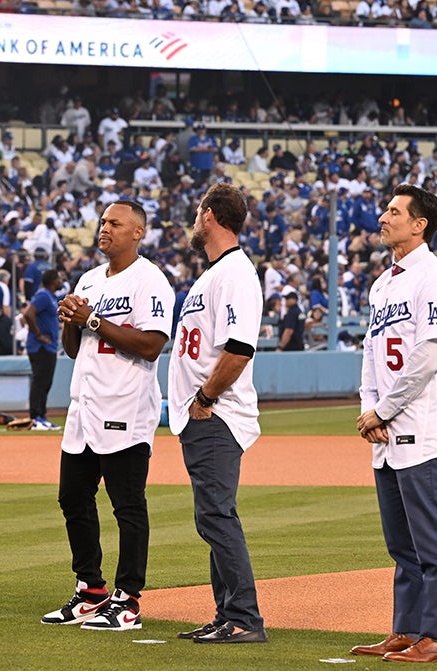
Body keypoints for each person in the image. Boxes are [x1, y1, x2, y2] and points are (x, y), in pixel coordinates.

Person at [41, 201, 173, 631]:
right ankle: (91, 589)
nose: (105, 228)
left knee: (127, 506)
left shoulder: (150, 280)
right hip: (84, 406)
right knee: (72, 498)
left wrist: (92, 319)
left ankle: (129, 599)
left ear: (137, 232)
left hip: (125, 406)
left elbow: (153, 344)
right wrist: (69, 320)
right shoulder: (90, 279)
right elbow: (74, 348)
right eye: (102, 222)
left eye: (115, 223)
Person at [354, 184, 437, 664]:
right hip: (386, 427)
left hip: (421, 425)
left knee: (430, 539)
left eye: (394, 211)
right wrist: (369, 409)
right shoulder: (385, 282)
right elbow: (370, 353)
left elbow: (429, 355)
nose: (383, 216)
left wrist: (386, 409)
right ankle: (407, 628)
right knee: (401, 543)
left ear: (420, 224)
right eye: (385, 209)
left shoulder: (435, 279)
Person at [167, 183, 267, 644]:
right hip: (204, 415)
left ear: (209, 216)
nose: (193, 219)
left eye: (197, 211)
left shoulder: (235, 273)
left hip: (217, 414)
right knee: (212, 515)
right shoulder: (217, 273)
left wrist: (205, 398)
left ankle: (245, 617)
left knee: (216, 515)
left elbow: (240, 347)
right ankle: (227, 612)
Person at [22, 268, 61, 430]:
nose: (61, 281)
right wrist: (38, 334)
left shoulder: (50, 297)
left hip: (49, 346)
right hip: (40, 346)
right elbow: (28, 313)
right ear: (53, 281)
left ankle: (42, 416)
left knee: (45, 382)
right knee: (40, 381)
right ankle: (36, 417)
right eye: (58, 278)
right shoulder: (43, 295)